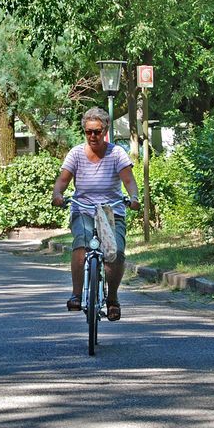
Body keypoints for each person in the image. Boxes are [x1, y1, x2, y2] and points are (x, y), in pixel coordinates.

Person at [51, 107, 140, 321]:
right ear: (84, 131)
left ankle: (113, 298)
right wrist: (57, 194)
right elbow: (62, 181)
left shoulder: (116, 153)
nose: (93, 136)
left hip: (111, 211)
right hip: (84, 209)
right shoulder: (76, 153)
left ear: (105, 130)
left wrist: (134, 197)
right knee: (81, 242)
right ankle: (76, 294)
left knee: (115, 252)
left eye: (97, 131)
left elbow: (129, 181)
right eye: (89, 131)